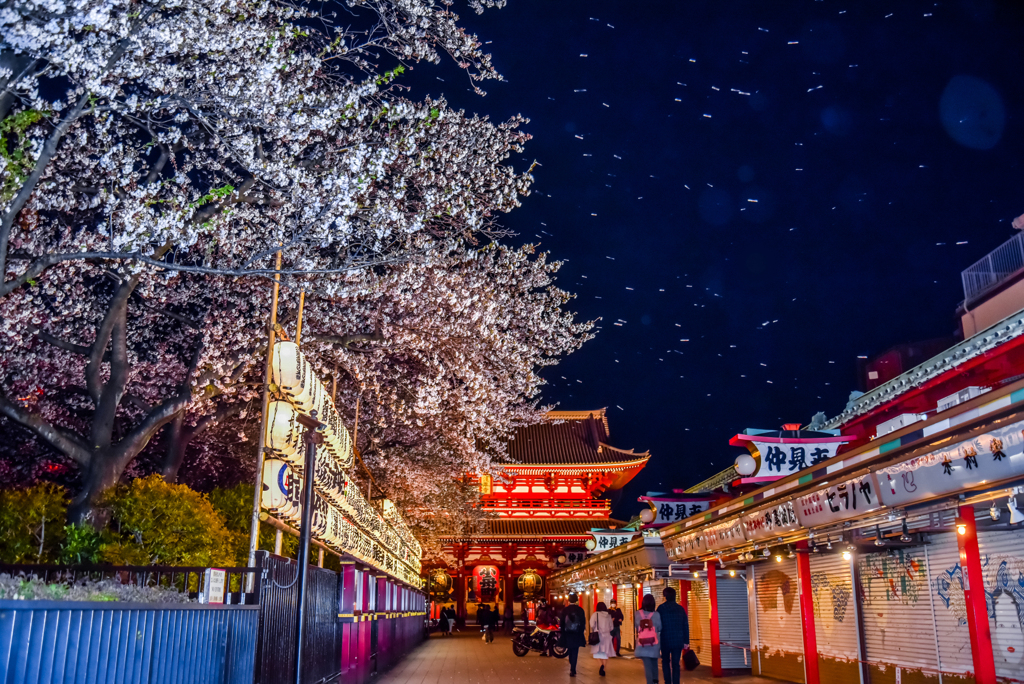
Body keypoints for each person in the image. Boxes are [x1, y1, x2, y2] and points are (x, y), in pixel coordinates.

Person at [656, 587, 689, 684]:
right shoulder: (680, 609)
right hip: (678, 640)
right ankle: (676, 682)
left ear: (665, 596)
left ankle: (667, 682)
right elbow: (685, 625)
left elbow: (658, 625)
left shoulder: (661, 608)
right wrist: (686, 641)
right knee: (676, 664)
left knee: (665, 662)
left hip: (665, 640)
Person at [635, 593, 663, 684]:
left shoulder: (637, 614)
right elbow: (659, 628)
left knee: (647, 666)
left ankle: (650, 682)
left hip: (642, 644)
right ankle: (655, 681)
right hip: (654, 644)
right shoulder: (656, 614)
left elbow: (636, 627)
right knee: (654, 663)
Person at [559, 592, 587, 677]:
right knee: (575, 650)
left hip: (568, 633)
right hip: (577, 633)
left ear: (569, 600)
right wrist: (582, 632)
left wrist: (562, 632)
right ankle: (573, 669)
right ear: (576, 600)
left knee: (570, 649)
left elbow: (562, 623)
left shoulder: (565, 610)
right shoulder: (580, 610)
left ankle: (571, 662)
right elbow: (583, 622)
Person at [589, 601, 616, 677]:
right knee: (605, 654)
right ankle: (603, 668)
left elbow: (591, 624)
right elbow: (612, 627)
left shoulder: (595, 614)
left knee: (597, 653)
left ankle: (601, 665)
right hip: (607, 636)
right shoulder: (608, 615)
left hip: (598, 636)